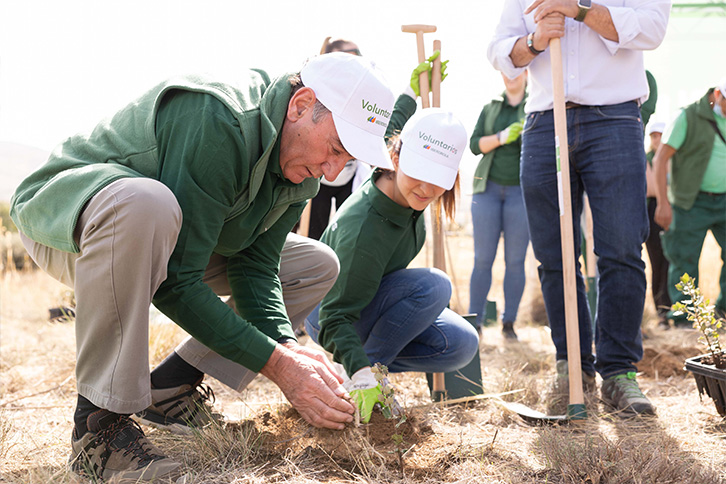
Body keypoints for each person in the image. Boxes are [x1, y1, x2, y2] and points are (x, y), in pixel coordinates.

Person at [10, 52, 396, 481]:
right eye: (337, 148)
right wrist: (278, 366)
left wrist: (288, 348)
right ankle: (98, 428)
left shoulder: (302, 169)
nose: (332, 171)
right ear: (301, 105)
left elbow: (256, 265)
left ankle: (171, 386)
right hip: (75, 220)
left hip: (162, 236)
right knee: (147, 205)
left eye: (349, 160)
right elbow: (177, 280)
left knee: (315, 263)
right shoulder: (218, 119)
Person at [488, 0, 670, 416]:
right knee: (555, 257)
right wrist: (534, 41)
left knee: (621, 248)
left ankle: (618, 371)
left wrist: (580, 10)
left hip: (615, 118)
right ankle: (572, 366)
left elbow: (652, 30)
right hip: (543, 121)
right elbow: (501, 52)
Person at [304, 107, 480, 422]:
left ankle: (365, 365)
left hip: (367, 305)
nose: (427, 190)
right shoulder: (364, 229)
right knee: (434, 285)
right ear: (395, 159)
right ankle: (362, 375)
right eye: (419, 174)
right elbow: (334, 314)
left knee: (460, 344)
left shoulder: (409, 200)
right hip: (330, 315)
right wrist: (362, 371)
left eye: (438, 179)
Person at [652, 78, 726, 325]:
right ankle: (684, 321)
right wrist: (663, 203)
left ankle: (723, 313)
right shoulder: (687, 117)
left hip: (725, 200)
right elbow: (660, 159)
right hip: (691, 201)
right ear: (718, 94)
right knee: (684, 261)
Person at [468, 71, 529, 340]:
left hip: (521, 193)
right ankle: (474, 322)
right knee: (482, 259)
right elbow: (474, 145)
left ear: (527, 73)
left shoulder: (537, 105)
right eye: (507, 70)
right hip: (487, 190)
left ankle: (509, 323)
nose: (511, 75)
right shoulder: (490, 108)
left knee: (515, 261)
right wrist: (503, 137)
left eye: (517, 70)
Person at [306, 38, 372, 240]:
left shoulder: (365, 92)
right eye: (351, 54)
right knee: (313, 234)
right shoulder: (317, 88)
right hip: (318, 175)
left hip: (349, 177)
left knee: (346, 234)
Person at [644, 120, 672, 328]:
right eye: (653, 136)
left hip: (673, 208)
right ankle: (661, 312)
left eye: (660, 135)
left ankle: (676, 309)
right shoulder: (643, 159)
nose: (657, 139)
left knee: (673, 260)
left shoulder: (675, 158)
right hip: (651, 210)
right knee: (657, 262)